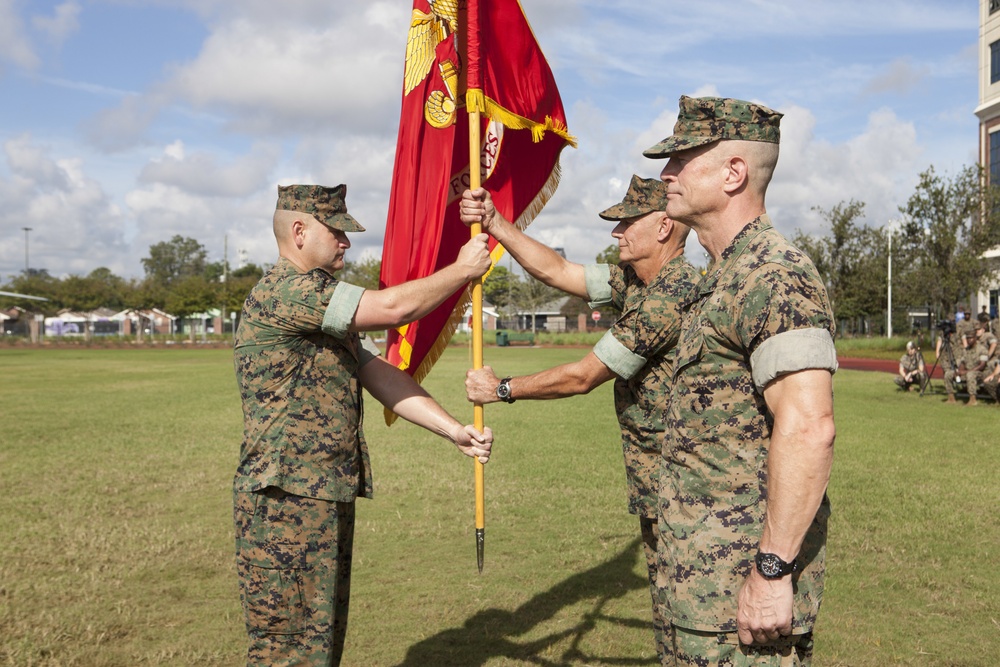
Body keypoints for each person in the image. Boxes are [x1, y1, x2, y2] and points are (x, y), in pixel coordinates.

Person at [233, 184, 494, 666]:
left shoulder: (323, 313)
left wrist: (453, 430)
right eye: (337, 232)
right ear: (299, 231)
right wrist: (461, 270)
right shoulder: (289, 290)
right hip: (286, 498)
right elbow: (394, 309)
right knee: (286, 650)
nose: (346, 243)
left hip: (319, 493)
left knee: (318, 643)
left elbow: (380, 376)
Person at [460, 175, 698, 657]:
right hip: (660, 479)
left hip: (687, 486)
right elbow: (559, 272)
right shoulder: (637, 281)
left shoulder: (671, 296)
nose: (617, 232)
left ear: (665, 226)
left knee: (691, 618)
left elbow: (583, 376)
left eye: (628, 222)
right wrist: (496, 224)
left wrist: (501, 388)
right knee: (670, 614)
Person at [644, 96, 837, 666]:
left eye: (682, 159)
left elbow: (809, 428)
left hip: (742, 601)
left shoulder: (774, 275)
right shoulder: (721, 276)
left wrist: (772, 571)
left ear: (734, 173)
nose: (666, 174)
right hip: (699, 592)